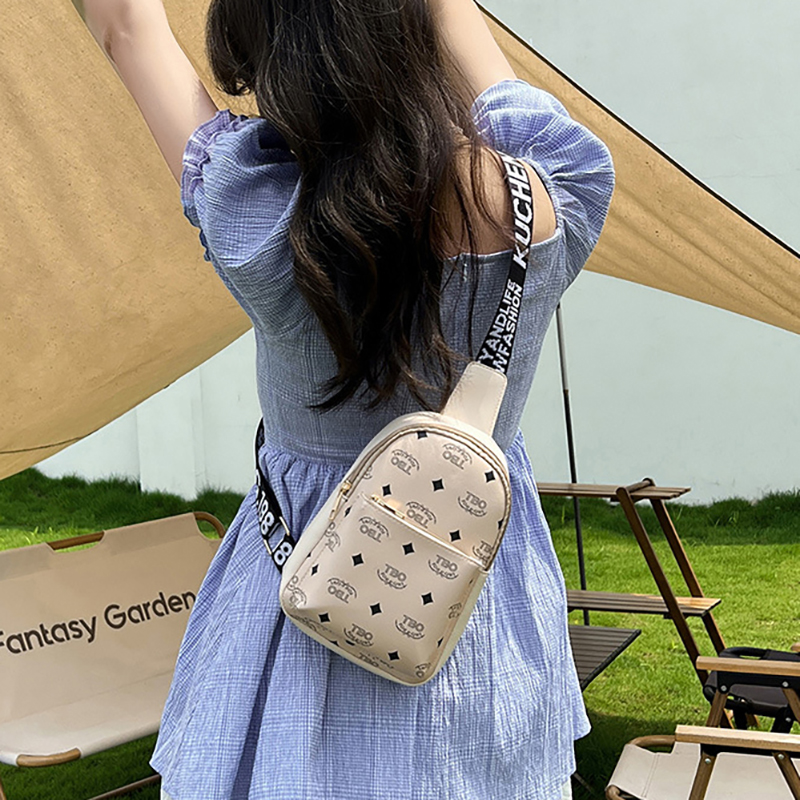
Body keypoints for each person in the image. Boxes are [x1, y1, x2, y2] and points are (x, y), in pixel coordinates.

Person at [71, 0, 614, 797]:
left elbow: (126, 26)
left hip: (304, 613)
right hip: (477, 620)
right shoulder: (554, 194)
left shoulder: (258, 223)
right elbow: (468, 44)